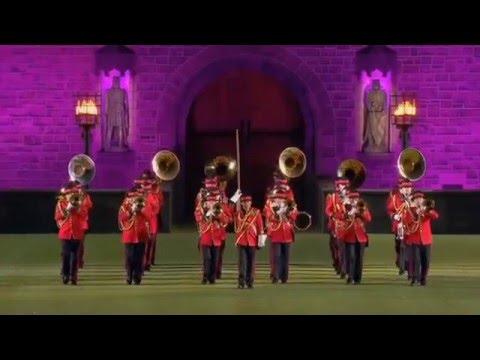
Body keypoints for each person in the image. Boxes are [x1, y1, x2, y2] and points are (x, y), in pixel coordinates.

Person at [194, 190, 232, 284]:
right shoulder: (201, 209)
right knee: (207, 258)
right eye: (210, 202)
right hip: (206, 238)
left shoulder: (219, 210)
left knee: (215, 259)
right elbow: (198, 218)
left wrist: (219, 215)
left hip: (216, 239)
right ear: (206, 202)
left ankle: (212, 278)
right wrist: (207, 213)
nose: (212, 203)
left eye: (214, 201)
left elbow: (226, 221)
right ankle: (205, 276)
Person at [264, 169, 295, 280]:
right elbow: (267, 210)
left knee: (286, 256)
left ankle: (284, 276)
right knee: (275, 255)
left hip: (286, 229)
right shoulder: (271, 194)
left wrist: (288, 213)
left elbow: (294, 210)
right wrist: (275, 215)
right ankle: (275, 275)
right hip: (275, 229)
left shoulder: (289, 193)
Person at [54, 185, 88, 285]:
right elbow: (57, 216)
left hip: (77, 233)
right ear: (66, 195)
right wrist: (68, 209)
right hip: (66, 233)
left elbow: (84, 216)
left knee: (75, 256)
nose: (72, 195)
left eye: (74, 194)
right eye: (70, 194)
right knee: (66, 255)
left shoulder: (80, 204)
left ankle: (73, 276)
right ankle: (65, 274)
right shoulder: (61, 203)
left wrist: (79, 207)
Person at [403, 192, 439, 286]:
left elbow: (435, 216)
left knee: (425, 261)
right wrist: (416, 214)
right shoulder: (410, 211)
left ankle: (423, 279)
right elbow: (407, 222)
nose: (419, 200)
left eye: (421, 199)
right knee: (416, 260)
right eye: (417, 199)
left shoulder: (427, 210)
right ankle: (414, 278)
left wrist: (426, 211)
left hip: (426, 239)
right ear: (414, 201)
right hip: (415, 239)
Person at [336, 192, 372, 285]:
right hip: (350, 236)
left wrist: (360, 213)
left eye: (356, 199)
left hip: (361, 237)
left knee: (359, 258)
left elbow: (368, 219)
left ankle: (357, 278)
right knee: (351, 257)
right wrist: (348, 213)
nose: (354, 201)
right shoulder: (345, 208)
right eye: (352, 199)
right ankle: (350, 276)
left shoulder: (362, 208)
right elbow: (339, 218)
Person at [118, 188, 151, 285]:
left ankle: (137, 277)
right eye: (132, 196)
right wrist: (131, 211)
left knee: (139, 258)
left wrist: (142, 210)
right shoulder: (124, 206)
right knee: (129, 257)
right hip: (129, 235)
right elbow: (121, 218)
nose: (134, 198)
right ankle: (129, 276)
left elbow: (149, 216)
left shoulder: (144, 204)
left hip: (141, 235)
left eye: (135, 196)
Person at [234, 195, 264, 289]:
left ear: (250, 203)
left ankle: (250, 281)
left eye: (248, 202)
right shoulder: (238, 213)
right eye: (244, 202)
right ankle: (241, 282)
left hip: (252, 241)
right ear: (241, 203)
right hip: (242, 241)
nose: (246, 204)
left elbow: (260, 227)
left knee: (251, 263)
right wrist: (235, 198)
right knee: (242, 263)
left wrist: (260, 241)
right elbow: (229, 210)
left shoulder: (256, 212)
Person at [387, 178, 413, 276]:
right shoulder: (395, 198)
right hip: (399, 226)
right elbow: (390, 210)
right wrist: (394, 216)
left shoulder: (414, 198)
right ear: (401, 189)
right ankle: (401, 263)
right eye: (405, 187)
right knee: (399, 246)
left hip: (410, 227)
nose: (407, 189)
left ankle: (405, 266)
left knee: (407, 246)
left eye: (409, 187)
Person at [325, 178, 350, 278]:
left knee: (345, 248)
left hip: (348, 225)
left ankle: (345, 269)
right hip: (336, 225)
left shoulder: (350, 197)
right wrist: (333, 215)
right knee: (336, 248)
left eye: (345, 186)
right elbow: (328, 209)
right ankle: (339, 265)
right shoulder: (333, 197)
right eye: (341, 186)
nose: (343, 188)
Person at [73, 181, 93, 270]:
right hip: (73, 222)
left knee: (80, 244)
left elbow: (89, 205)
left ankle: (79, 261)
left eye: (83, 188)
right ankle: (73, 261)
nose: (81, 190)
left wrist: (83, 197)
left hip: (82, 223)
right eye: (80, 188)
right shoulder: (73, 197)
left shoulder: (86, 197)